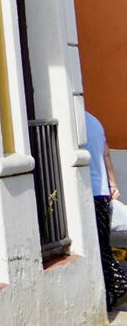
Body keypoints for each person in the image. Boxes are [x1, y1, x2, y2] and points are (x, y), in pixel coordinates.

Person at [84, 111, 127, 308]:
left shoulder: (73, 120)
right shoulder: (95, 121)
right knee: (101, 243)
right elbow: (106, 154)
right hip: (100, 190)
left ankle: (116, 287)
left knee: (95, 245)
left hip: (85, 190)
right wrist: (113, 185)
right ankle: (114, 288)